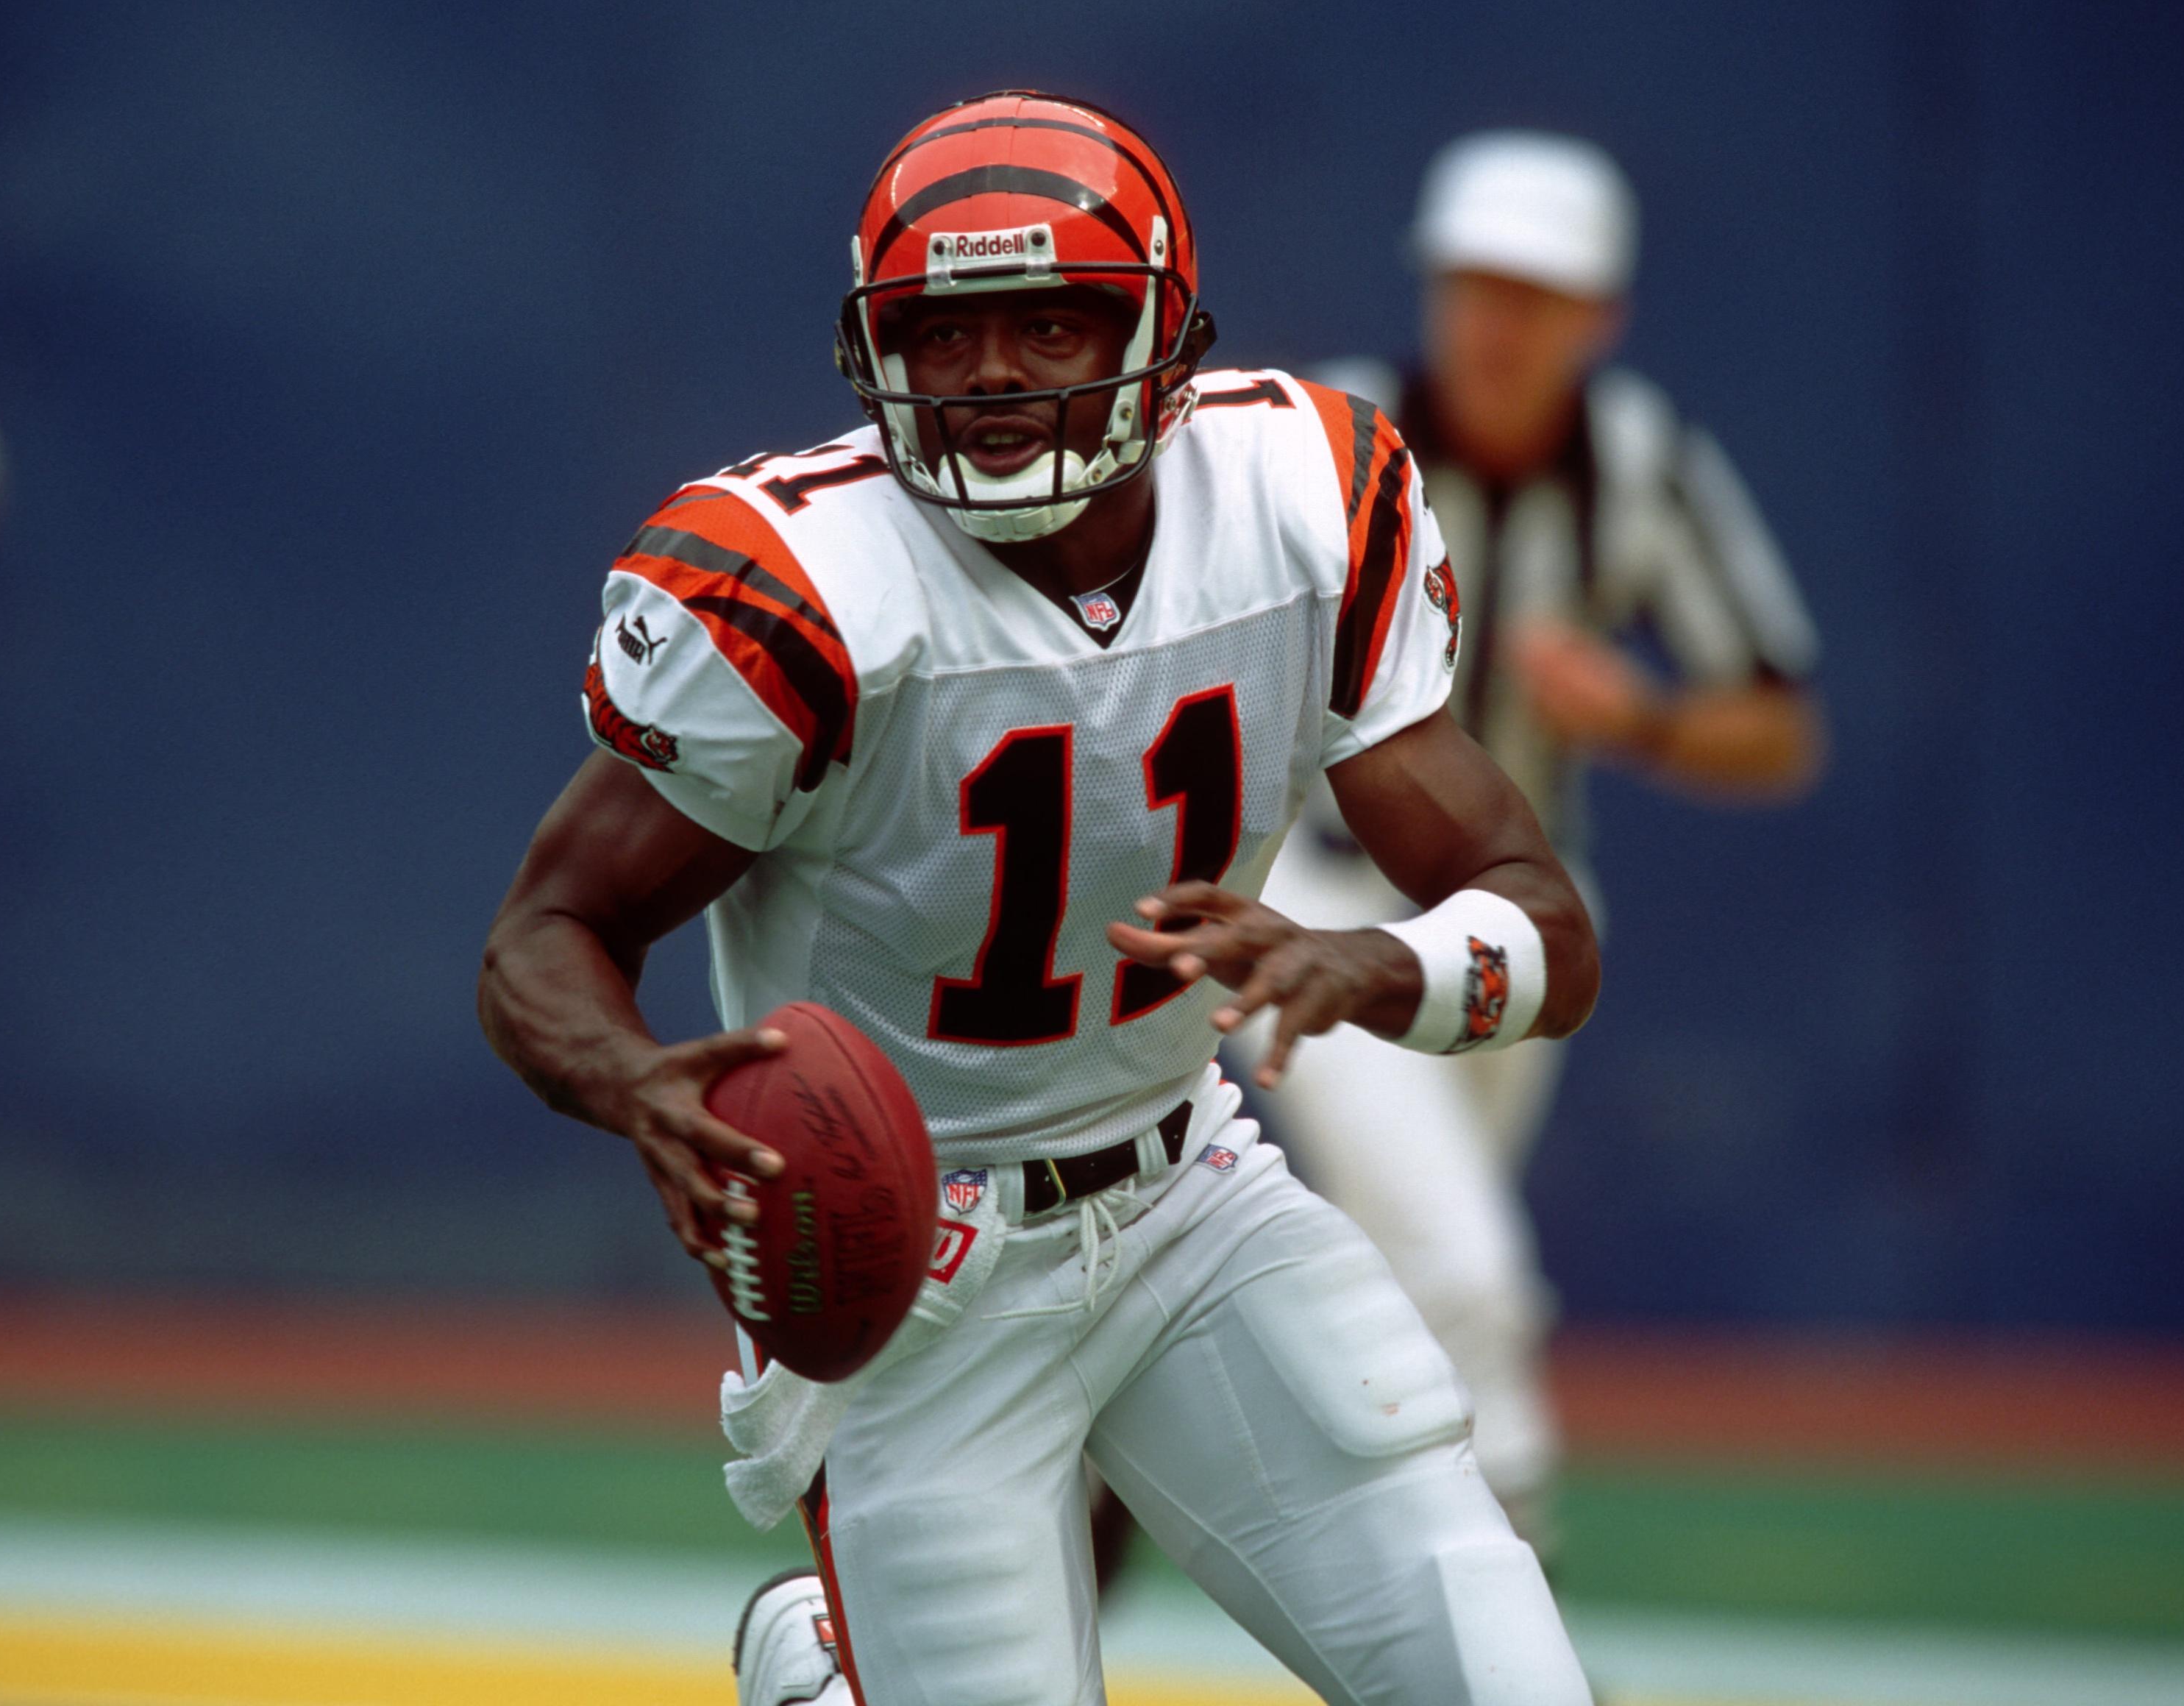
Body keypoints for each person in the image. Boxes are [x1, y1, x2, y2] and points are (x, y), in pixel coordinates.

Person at [480, 92, 1602, 1706]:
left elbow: (1539, 929)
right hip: (914, 1276)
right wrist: (634, 1081)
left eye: (1053, 323)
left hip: (1191, 1201)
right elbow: (544, 935)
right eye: (946, 335)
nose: (995, 376)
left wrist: (1365, 962)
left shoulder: (1302, 496)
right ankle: (828, 1668)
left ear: (1164, 336)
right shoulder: (801, 590)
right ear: (878, 354)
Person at [1228, 131, 1824, 1548]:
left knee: (1397, 1293)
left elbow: (1782, 724)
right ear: (1432, 288)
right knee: (1470, 1276)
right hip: (1320, 898)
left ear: (1599, 316)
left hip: (1517, 920)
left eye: (1537, 294)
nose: (1500, 323)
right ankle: (1527, 1621)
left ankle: (1118, 1493)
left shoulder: (1641, 467)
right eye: (1477, 284)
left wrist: (1642, 720)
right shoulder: (1328, 441)